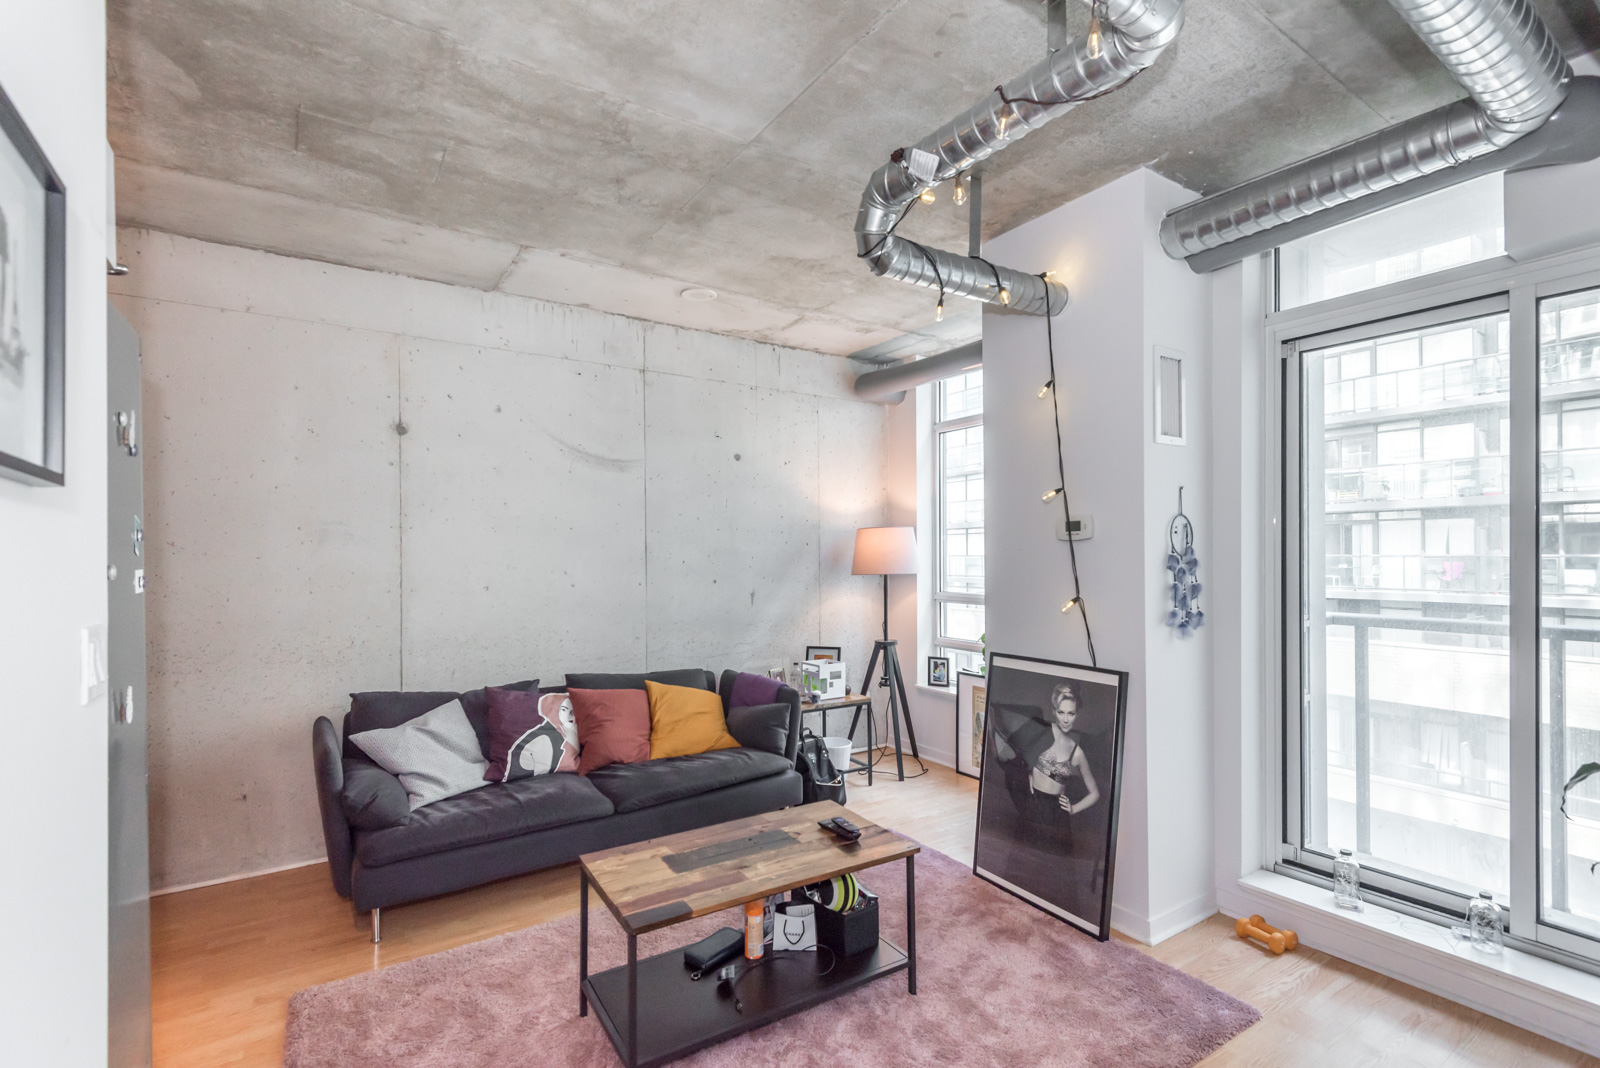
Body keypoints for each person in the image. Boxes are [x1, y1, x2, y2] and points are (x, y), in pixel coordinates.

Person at [991, 680, 1100, 850]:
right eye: (1061, 712)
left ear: (1077, 714)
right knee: (1024, 859)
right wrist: (1028, 776)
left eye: (1071, 714)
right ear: (1054, 712)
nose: (1065, 719)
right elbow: (1013, 752)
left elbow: (1094, 793)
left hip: (1057, 816)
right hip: (1032, 805)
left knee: (1052, 865)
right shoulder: (1041, 733)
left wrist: (1073, 809)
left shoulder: (1077, 752)